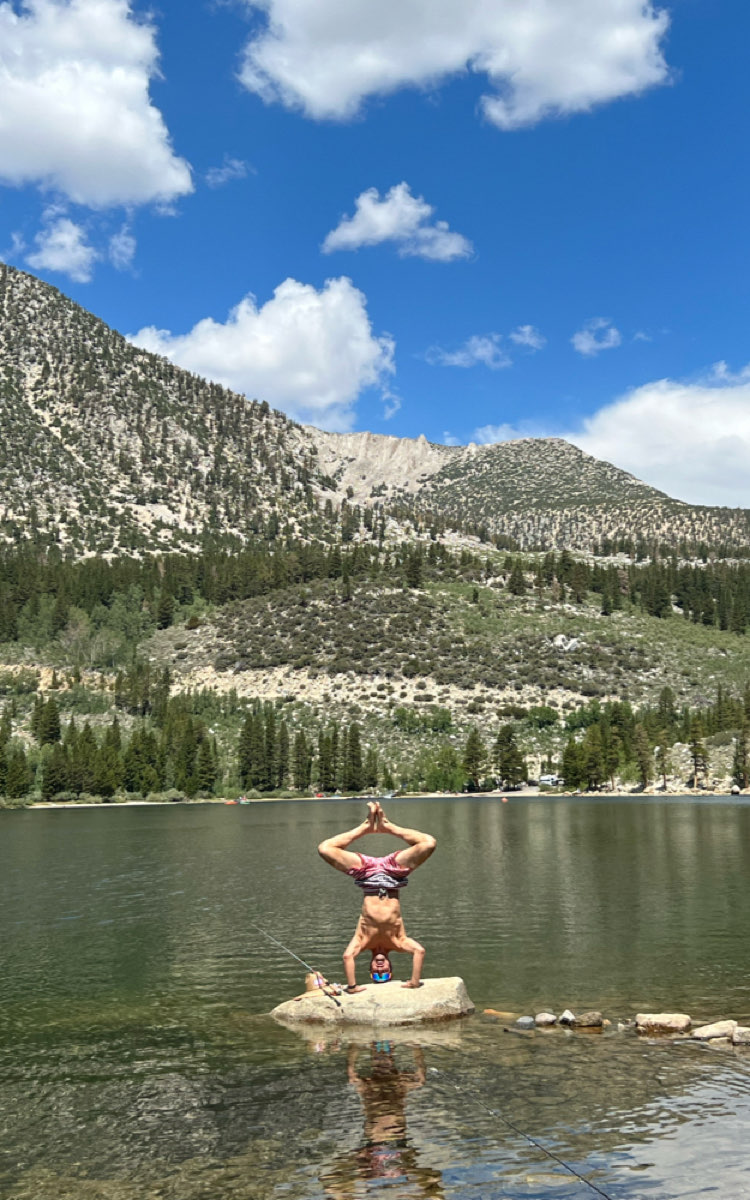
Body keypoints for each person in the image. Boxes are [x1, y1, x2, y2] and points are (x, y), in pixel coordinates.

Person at [317, 800, 436, 993]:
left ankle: (365, 827)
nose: (380, 969)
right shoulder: (399, 942)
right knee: (428, 843)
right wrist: (414, 981)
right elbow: (419, 951)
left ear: (370, 968)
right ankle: (388, 827)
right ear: (390, 967)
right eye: (385, 973)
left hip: (367, 875)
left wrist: (352, 987)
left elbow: (347, 957)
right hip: (393, 874)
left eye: (376, 973)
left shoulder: (362, 941)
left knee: (325, 849)